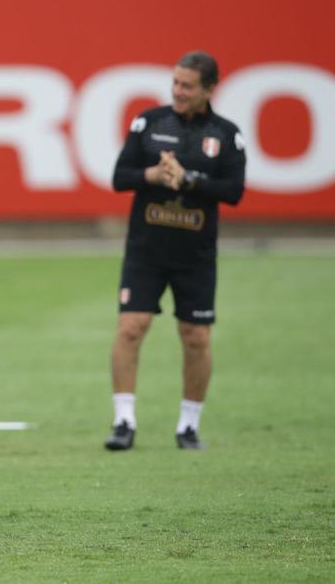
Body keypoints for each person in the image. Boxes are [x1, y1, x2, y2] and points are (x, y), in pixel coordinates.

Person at [105, 51, 246, 451]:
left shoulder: (226, 134)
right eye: (175, 83)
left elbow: (234, 191)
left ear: (209, 89)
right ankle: (123, 421)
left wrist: (189, 181)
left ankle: (188, 425)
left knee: (196, 336)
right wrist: (151, 174)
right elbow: (119, 177)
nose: (178, 92)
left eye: (187, 85)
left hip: (195, 255)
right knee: (131, 328)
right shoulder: (149, 122)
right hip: (145, 250)